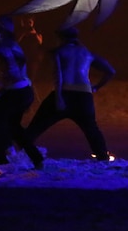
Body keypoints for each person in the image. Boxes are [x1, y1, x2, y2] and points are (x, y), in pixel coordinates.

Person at [25, 26, 115, 161]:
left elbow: (59, 76)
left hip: (65, 92)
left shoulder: (58, 52)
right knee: (91, 128)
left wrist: (59, 97)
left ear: (61, 38)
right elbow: (110, 71)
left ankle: (21, 150)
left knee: (37, 125)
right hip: (84, 95)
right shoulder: (87, 53)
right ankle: (102, 156)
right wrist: (96, 87)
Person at [0, 16, 44, 169]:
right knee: (14, 126)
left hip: (16, 92)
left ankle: (1, 161)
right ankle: (36, 158)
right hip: (24, 90)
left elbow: (6, 69)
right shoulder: (11, 43)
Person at [17, 16, 44, 84]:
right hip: (23, 57)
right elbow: (16, 42)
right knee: (22, 76)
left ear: (33, 23)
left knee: (31, 77)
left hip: (33, 58)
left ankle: (30, 90)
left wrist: (34, 32)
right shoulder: (20, 32)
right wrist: (23, 33)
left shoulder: (36, 32)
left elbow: (40, 42)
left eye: (30, 22)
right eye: (26, 22)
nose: (28, 24)